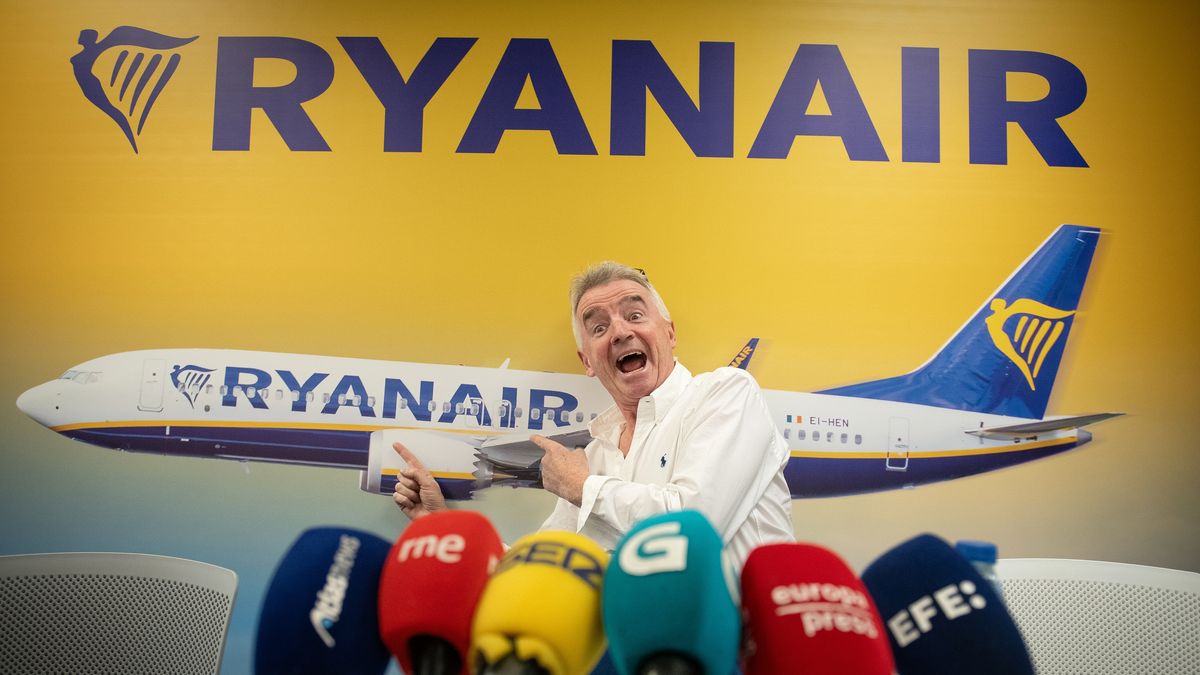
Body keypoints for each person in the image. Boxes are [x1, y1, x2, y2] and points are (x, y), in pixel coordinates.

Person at [392, 262, 794, 568]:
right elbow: (539, 570)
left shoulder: (726, 392)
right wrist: (439, 526)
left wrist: (585, 489)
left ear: (670, 333)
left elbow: (693, 532)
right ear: (587, 360)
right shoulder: (596, 455)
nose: (620, 332)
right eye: (599, 327)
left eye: (635, 315)